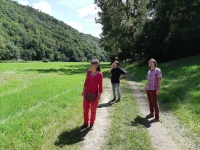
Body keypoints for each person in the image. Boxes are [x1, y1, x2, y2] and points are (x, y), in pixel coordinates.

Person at [81, 59, 103, 128]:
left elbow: (100, 86)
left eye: (93, 63)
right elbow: (86, 82)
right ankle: (85, 123)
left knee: (93, 110)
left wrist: (99, 95)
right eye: (91, 63)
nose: (91, 64)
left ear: (97, 65)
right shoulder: (88, 72)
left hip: (95, 95)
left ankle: (91, 123)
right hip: (87, 93)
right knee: (85, 109)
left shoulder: (99, 74)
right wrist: (83, 91)